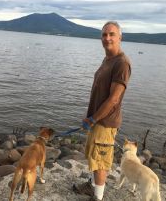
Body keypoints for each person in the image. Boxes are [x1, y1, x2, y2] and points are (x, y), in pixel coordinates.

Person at [73, 21, 131, 201]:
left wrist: (93, 119)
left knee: (100, 162)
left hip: (105, 122)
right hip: (97, 119)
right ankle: (91, 187)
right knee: (93, 155)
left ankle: (97, 197)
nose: (107, 38)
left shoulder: (122, 63)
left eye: (112, 34)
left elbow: (114, 99)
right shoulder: (107, 59)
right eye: (104, 34)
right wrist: (90, 116)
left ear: (120, 37)